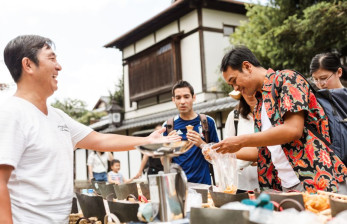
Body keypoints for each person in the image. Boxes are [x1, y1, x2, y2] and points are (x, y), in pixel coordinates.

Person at [0, 35, 180, 224]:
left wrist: (147, 141)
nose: (59, 66)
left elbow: (100, 140)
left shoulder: (58, 116)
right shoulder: (11, 113)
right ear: (28, 65)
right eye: (51, 58)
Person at [214, 46, 347, 193]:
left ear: (247, 66)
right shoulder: (260, 103)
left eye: (234, 81)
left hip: (317, 179)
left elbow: (293, 130)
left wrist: (240, 140)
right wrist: (223, 149)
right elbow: (264, 151)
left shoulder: (287, 79)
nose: (235, 88)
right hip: (285, 184)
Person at [163, 80, 219, 185]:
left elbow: (218, 157)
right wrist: (168, 148)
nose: (182, 101)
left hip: (204, 184)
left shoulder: (207, 122)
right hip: (179, 186)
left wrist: (201, 144)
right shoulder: (168, 126)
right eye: (178, 98)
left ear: (194, 97)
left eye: (186, 96)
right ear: (173, 100)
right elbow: (164, 163)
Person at [224, 94, 259, 191]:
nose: (251, 95)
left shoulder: (269, 115)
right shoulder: (235, 116)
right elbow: (228, 147)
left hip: (266, 181)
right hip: (240, 182)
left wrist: (259, 158)